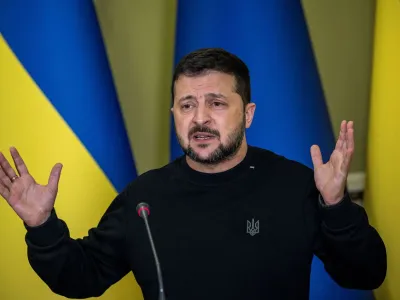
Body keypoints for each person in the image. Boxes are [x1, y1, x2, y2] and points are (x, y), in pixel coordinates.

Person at [0, 48, 386, 300]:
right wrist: (43, 226)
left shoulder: (294, 186)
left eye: (216, 103)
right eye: (186, 105)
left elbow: (366, 274)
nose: (199, 118)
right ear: (174, 116)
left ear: (247, 114)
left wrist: (336, 206)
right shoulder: (144, 198)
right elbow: (80, 278)